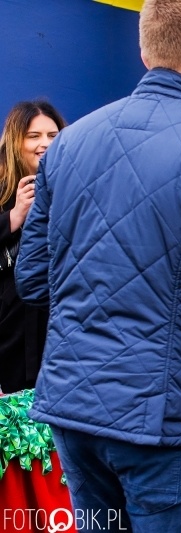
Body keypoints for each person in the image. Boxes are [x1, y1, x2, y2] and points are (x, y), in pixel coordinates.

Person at [15, 0, 181, 530]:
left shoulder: (68, 145)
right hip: (161, 422)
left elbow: (33, 278)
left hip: (75, 407)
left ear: (146, 54)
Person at [0, 100, 66, 394]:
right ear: (16, 142)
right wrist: (13, 217)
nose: (45, 144)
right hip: (8, 337)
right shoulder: (3, 186)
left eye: (53, 135)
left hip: (54, 336)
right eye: (34, 136)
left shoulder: (74, 185)